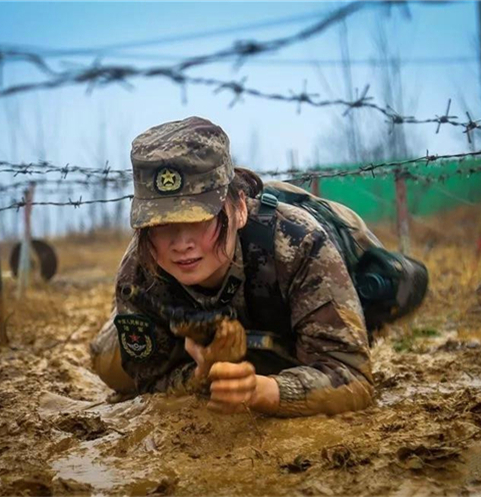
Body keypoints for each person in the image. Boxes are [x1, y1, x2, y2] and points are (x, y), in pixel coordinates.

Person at [90, 116, 382, 417]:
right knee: (109, 363)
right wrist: (201, 375)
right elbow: (149, 378)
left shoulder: (297, 244)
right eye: (161, 225)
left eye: (199, 219)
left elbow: (352, 377)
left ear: (240, 208)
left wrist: (261, 391)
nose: (181, 243)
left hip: (287, 330)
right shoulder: (139, 272)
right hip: (185, 339)